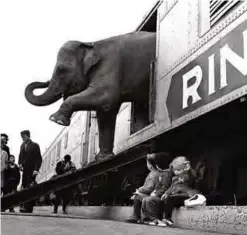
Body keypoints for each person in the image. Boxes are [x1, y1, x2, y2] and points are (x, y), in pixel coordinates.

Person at [126, 153, 164, 224]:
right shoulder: (156, 173)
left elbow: (149, 188)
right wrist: (140, 189)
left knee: (137, 197)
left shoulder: (153, 174)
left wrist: (139, 191)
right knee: (138, 195)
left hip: (153, 195)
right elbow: (146, 186)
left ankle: (136, 217)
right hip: (154, 195)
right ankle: (137, 217)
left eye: (147, 163)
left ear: (150, 166)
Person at [18, 130, 42, 213]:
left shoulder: (35, 145)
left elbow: (38, 158)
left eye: (24, 137)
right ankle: (24, 205)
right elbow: (20, 156)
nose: (23, 139)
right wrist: (20, 164)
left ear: (28, 136)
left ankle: (29, 208)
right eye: (22, 137)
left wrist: (36, 169)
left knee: (30, 188)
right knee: (24, 186)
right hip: (25, 170)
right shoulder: (22, 146)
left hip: (32, 170)